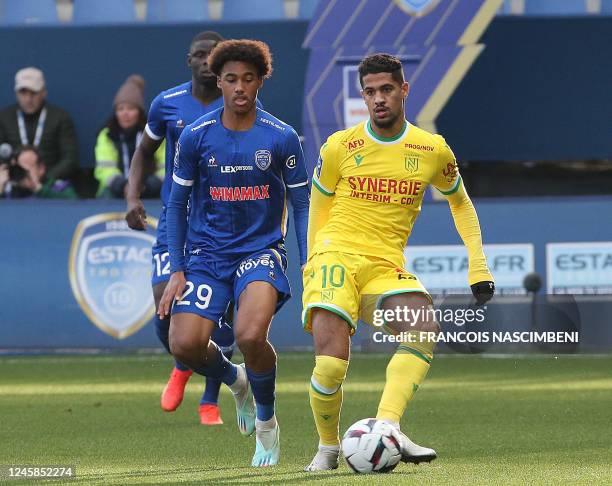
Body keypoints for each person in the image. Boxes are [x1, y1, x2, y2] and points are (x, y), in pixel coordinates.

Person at [302, 53, 495, 471]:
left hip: (385, 264)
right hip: (335, 255)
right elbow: (317, 205)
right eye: (369, 92)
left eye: (386, 89)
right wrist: (312, 260)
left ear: (403, 90)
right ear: (362, 96)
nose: (378, 99)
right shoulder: (339, 145)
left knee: (423, 325)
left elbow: (460, 204)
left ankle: (388, 427)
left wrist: (477, 264)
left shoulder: (431, 149)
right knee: (331, 363)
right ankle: (328, 448)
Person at [158, 39, 309, 467]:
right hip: (207, 255)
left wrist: (308, 259)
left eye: (248, 78)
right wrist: (177, 268)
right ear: (218, 81)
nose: (239, 87)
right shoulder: (196, 136)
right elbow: (175, 205)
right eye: (230, 79)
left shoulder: (281, 137)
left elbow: (301, 205)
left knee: (248, 335)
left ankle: (266, 423)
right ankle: (234, 379)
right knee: (184, 345)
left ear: (260, 80)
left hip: (261, 251)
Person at [125, 32, 242, 425]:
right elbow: (143, 152)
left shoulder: (240, 106)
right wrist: (132, 198)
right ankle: (183, 364)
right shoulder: (167, 104)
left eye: (214, 56)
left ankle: (209, 400)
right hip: (177, 220)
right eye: (200, 55)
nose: (207, 61)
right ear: (188, 60)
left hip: (221, 226)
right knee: (164, 308)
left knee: (219, 316)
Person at [0, 67, 78, 182]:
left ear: (43, 93)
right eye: (23, 93)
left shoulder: (60, 118)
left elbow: (70, 159)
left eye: (33, 93)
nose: (28, 99)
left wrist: (45, 179)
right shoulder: (4, 118)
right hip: (12, 183)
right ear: (16, 94)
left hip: (50, 185)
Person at [95, 75, 164, 198]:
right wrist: (123, 186)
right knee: (105, 195)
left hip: (150, 190)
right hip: (115, 190)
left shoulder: (153, 132)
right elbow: (104, 170)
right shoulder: (107, 134)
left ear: (139, 112)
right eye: (120, 109)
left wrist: (147, 185)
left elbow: (166, 166)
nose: (125, 114)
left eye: (131, 108)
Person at [0, 145, 76, 199]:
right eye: (16, 168)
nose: (19, 172)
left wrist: (39, 189)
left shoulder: (59, 187)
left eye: (23, 168)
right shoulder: (7, 190)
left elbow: (74, 206)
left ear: (41, 169)